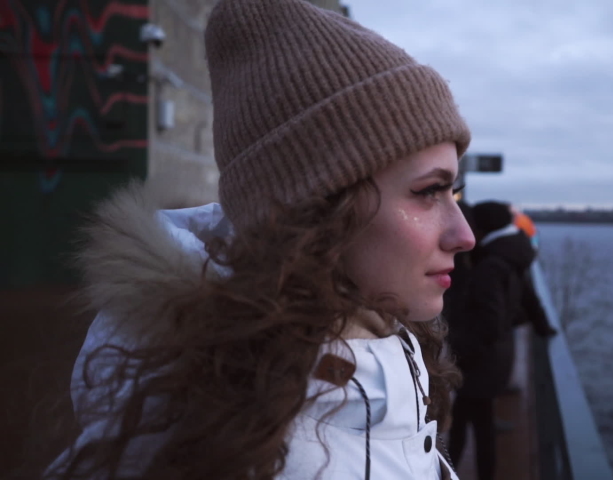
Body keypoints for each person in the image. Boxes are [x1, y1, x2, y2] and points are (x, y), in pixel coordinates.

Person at [45, 0, 475, 479]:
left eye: (453, 190)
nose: (465, 235)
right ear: (316, 206)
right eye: (427, 192)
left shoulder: (381, 350)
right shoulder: (222, 450)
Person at [446, 201, 553, 480]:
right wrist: (544, 327)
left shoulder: (489, 266)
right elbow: (527, 296)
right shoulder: (511, 255)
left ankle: (448, 474)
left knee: (465, 426)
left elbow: (488, 324)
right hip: (497, 357)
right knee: (479, 424)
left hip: (480, 363)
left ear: (482, 228)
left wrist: (456, 355)